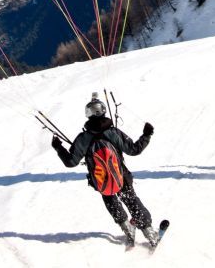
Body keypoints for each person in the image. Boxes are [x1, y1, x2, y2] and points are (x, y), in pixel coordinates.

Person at [50, 94, 159, 247]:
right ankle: (148, 231)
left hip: (100, 180)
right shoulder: (113, 133)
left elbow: (70, 162)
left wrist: (58, 147)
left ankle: (127, 228)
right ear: (104, 111)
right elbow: (134, 150)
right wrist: (147, 135)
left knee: (110, 199)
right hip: (121, 176)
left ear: (88, 114)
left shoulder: (83, 138)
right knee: (131, 200)